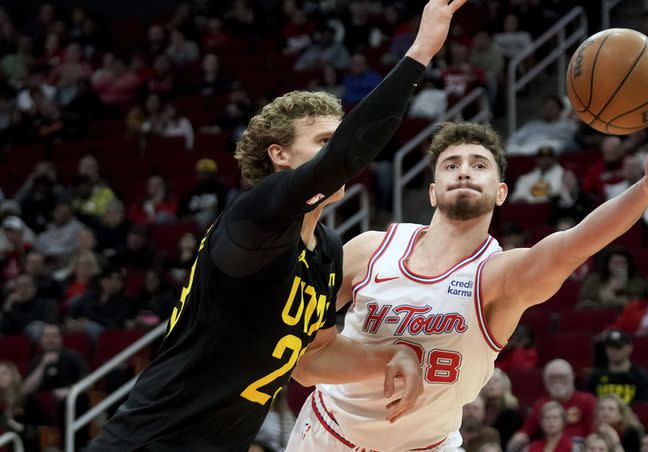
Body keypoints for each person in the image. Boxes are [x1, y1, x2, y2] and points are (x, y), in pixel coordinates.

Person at [86, 0, 466, 447]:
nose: (337, 153)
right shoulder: (258, 216)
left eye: (336, 138)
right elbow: (348, 154)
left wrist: (393, 353)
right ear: (279, 155)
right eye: (323, 141)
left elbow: (312, 358)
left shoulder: (326, 251)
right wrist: (421, 49)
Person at [287, 110, 648, 450]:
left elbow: (576, 243)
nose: (464, 171)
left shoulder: (500, 277)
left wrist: (647, 189)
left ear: (502, 191)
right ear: (432, 191)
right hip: (329, 434)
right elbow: (300, 343)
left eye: (479, 164)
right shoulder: (370, 249)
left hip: (425, 446)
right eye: (451, 164)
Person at [511, 359, 597, 451]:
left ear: (571, 378)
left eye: (562, 377)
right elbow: (527, 430)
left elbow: (595, 430)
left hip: (579, 444)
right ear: (545, 380)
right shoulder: (541, 404)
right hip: (547, 444)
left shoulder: (587, 400)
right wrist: (520, 437)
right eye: (553, 378)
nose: (557, 381)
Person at [585, 330, 648, 404]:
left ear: (630, 348)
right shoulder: (595, 377)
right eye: (610, 347)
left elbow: (645, 407)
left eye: (618, 347)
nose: (614, 351)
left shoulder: (642, 378)